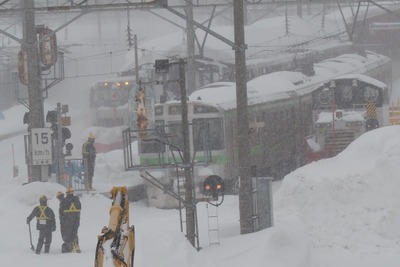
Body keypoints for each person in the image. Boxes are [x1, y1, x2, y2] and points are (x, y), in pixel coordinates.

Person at [59, 187, 81, 253]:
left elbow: (61, 212)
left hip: (67, 220)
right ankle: (76, 246)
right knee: (74, 232)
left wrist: (62, 221)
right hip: (76, 219)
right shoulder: (77, 200)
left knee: (68, 233)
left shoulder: (63, 201)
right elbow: (80, 208)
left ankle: (70, 247)